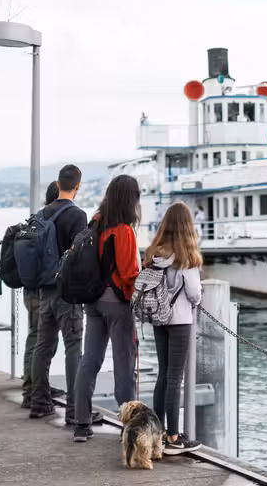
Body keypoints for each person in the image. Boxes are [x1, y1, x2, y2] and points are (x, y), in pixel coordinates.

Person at [73, 175, 141, 442]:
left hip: (93, 301)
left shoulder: (96, 221)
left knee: (90, 359)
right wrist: (142, 273)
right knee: (124, 364)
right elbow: (127, 272)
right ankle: (130, 426)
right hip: (117, 303)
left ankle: (81, 422)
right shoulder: (122, 230)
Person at [29, 165, 88, 424]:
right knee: (73, 348)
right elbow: (82, 257)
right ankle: (75, 412)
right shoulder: (78, 215)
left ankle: (39, 402)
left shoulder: (43, 213)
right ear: (77, 186)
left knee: (43, 346)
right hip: (68, 293)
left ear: (59, 184)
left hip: (45, 291)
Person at [144, 202, 202, 454]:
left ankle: (157, 434)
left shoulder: (154, 254)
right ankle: (174, 438)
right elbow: (195, 294)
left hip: (158, 318)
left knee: (163, 375)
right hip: (179, 321)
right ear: (187, 226)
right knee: (175, 379)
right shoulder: (186, 257)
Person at [21, 181, 61, 409]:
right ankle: (33, 391)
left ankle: (37, 385)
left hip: (30, 289)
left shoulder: (36, 219)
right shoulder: (52, 222)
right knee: (41, 342)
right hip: (42, 291)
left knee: (37, 340)